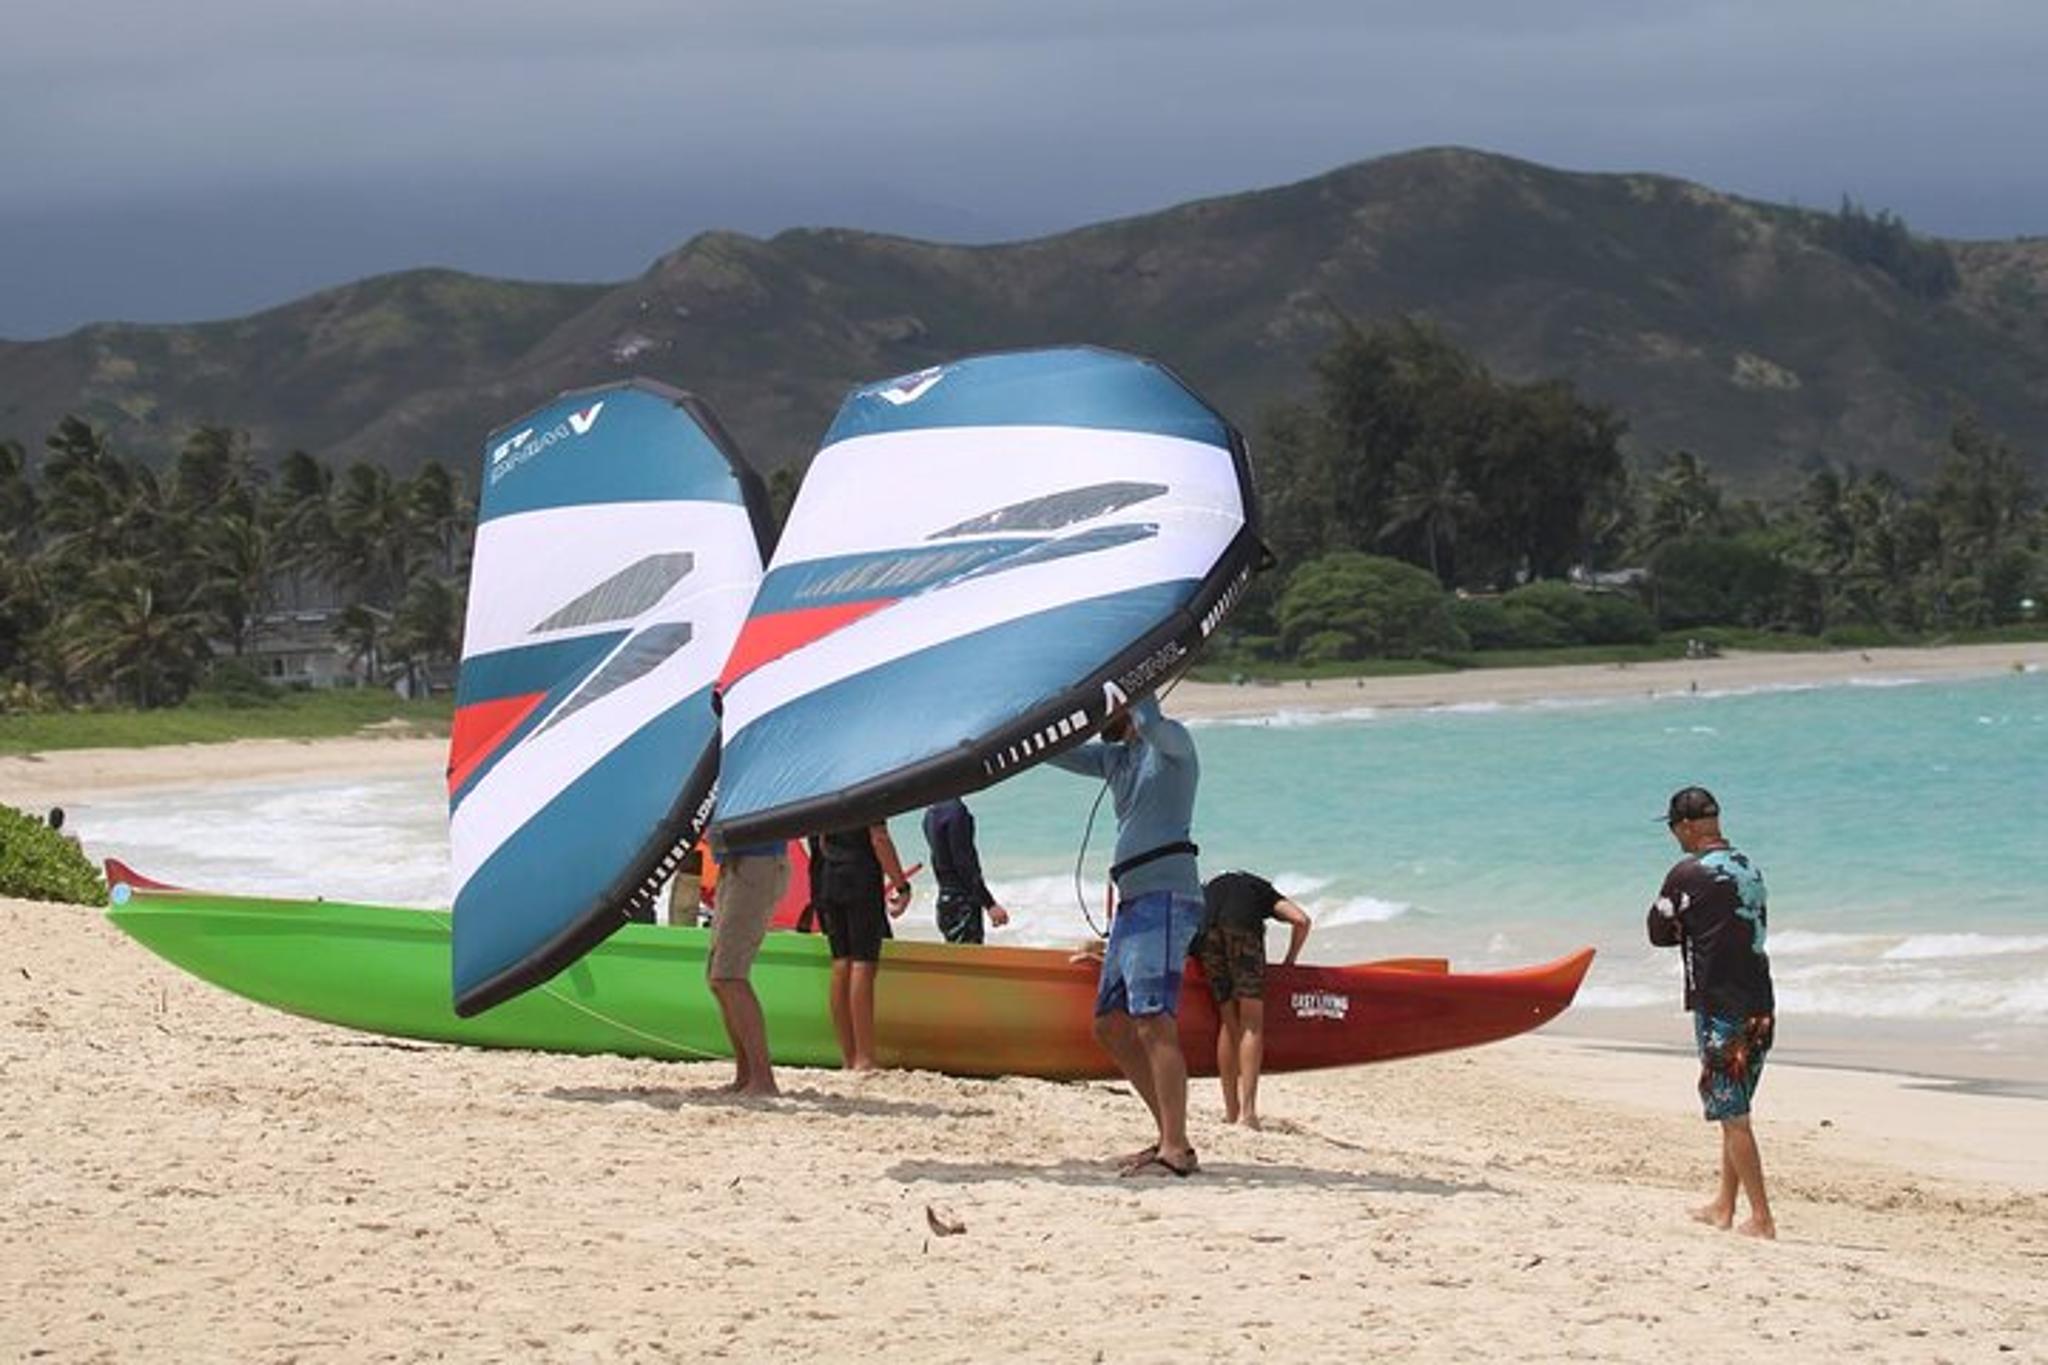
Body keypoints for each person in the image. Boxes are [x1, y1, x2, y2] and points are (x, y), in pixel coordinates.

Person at [1047, 692, 1203, 1178]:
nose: (1099, 722)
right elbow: (1055, 752)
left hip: (1166, 899)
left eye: (1105, 710)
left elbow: (1154, 724)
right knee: (1110, 1025)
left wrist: (1137, 682)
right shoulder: (1116, 760)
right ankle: (1170, 1137)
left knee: (1153, 1021)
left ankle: (1174, 1150)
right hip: (1133, 905)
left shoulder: (1173, 746)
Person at [1647, 785, 1777, 1240]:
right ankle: (1724, 1205)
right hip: (1762, 1003)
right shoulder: (1748, 866)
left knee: (1733, 1115)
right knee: (1736, 1107)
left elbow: (1658, 931)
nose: (1674, 837)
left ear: (1685, 826)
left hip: (1721, 1006)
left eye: (1673, 828)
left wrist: (1687, 924)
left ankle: (1761, 1219)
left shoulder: (1687, 874)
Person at [1194, 870, 1311, 1130]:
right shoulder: (1259, 888)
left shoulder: (1205, 892)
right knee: (1251, 1023)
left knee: (1227, 1019)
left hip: (1206, 932)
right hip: (1242, 928)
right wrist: (1290, 961)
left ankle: (1231, 1111)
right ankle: (1248, 1113)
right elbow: (1301, 920)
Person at [814, 823, 913, 1071]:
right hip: (860, 875)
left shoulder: (828, 788)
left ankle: (848, 1056)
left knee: (841, 961)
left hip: (829, 874)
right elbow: (879, 838)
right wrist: (901, 885)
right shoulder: (867, 791)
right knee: (863, 963)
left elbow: (820, 837)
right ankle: (865, 1058)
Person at [704, 840, 792, 1095]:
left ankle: (763, 1079)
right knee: (717, 978)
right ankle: (746, 1075)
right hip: (735, 861)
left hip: (757, 862)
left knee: (728, 977)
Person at [922, 797, 1009, 944]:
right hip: (962, 903)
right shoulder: (957, 811)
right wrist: (990, 904)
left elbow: (938, 860)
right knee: (970, 960)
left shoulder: (930, 813)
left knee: (955, 959)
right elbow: (964, 864)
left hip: (945, 900)